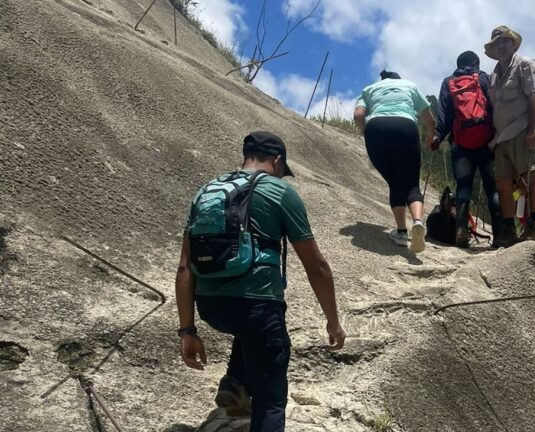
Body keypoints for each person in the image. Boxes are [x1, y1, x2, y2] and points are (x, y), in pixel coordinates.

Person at [175, 131, 346, 432]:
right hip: (256, 308)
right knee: (271, 400)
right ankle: (242, 386)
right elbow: (316, 266)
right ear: (278, 161)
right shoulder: (278, 192)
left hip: (211, 308)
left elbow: (184, 269)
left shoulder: (205, 192)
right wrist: (333, 321)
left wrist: (187, 330)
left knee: (252, 326)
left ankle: (236, 382)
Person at [354, 70, 436, 253]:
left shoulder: (369, 89)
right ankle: (417, 223)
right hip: (405, 126)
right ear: (397, 80)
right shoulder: (409, 85)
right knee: (411, 183)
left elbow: (358, 116)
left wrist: (368, 133)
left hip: (376, 128)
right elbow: (428, 117)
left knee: (395, 182)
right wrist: (430, 136)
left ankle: (401, 232)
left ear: (382, 80)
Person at [432, 51, 501, 248]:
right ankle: (500, 235)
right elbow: (496, 107)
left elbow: (443, 113)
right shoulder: (485, 79)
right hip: (488, 144)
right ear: (477, 63)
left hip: (461, 145)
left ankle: (461, 231)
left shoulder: (449, 82)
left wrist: (438, 136)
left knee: (463, 188)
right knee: (492, 189)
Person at [484, 25, 535, 245]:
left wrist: (532, 129)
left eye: (504, 42)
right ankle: (509, 231)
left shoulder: (526, 65)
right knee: (503, 184)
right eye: (496, 44)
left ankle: (534, 227)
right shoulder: (493, 76)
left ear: (513, 44)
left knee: (531, 177)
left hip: (522, 130)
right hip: (501, 137)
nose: (500, 46)